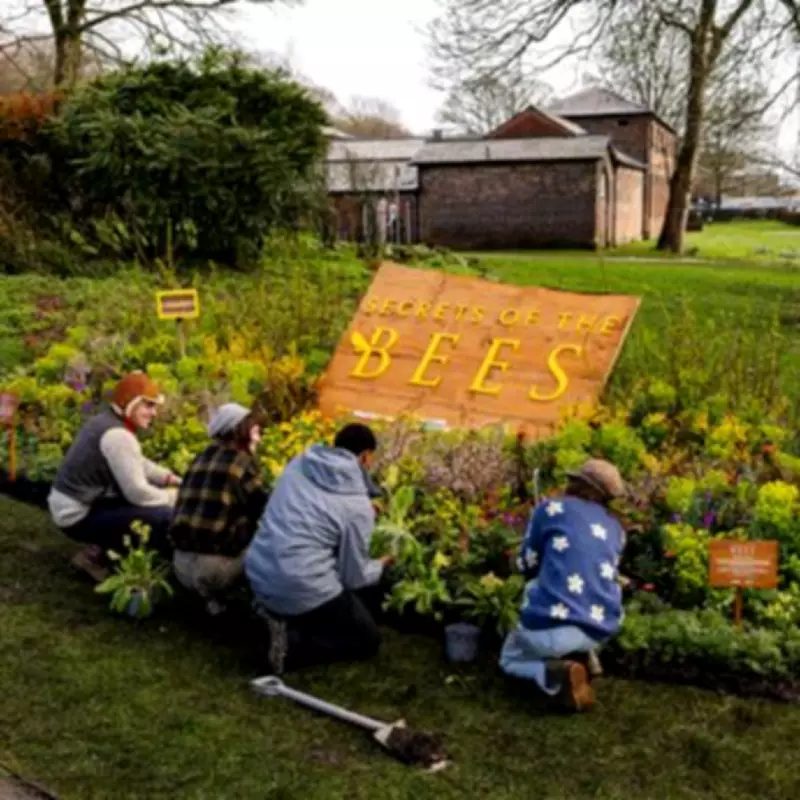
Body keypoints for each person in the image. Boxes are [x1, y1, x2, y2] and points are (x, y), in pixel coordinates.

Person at [245, 423, 389, 673]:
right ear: (366, 456)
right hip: (298, 584)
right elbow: (353, 577)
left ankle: (274, 615)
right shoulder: (357, 504)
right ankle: (286, 648)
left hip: (259, 570)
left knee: (322, 595)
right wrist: (380, 565)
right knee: (366, 640)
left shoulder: (299, 463)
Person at [500, 458, 628, 712]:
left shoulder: (551, 509)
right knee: (596, 586)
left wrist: (512, 562)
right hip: (599, 629)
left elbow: (527, 564)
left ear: (575, 482)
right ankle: (587, 656)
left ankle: (551, 673)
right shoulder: (617, 529)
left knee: (510, 660)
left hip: (549, 626)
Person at [47, 372, 181, 581]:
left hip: (73, 503)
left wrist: (167, 478)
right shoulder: (118, 436)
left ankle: (99, 553)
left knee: (142, 504)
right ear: (130, 403)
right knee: (163, 516)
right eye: (148, 405)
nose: (154, 413)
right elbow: (138, 493)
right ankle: (99, 558)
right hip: (76, 514)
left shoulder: (106, 422)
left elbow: (136, 461)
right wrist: (173, 497)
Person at [169, 403, 268, 614]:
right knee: (269, 539)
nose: (258, 439)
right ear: (240, 432)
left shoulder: (200, 458)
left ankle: (212, 601)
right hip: (216, 569)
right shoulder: (241, 463)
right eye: (255, 432)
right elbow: (264, 509)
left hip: (180, 564)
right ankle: (255, 606)